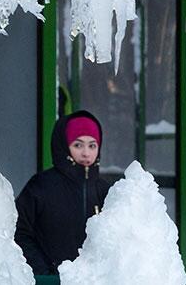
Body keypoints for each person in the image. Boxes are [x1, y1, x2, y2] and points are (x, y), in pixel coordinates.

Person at [15, 110, 110, 275]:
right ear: (64, 145)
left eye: (92, 145)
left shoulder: (105, 192)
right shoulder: (41, 186)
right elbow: (19, 232)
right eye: (78, 145)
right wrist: (43, 272)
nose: (86, 153)